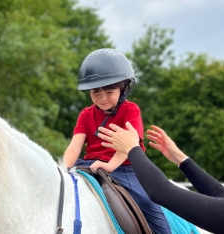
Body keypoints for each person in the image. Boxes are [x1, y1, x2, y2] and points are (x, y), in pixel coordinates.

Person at [62, 48, 171, 233]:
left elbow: (129, 145)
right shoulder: (85, 114)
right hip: (90, 164)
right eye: (96, 93)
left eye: (109, 92)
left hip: (125, 168)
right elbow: (75, 146)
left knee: (148, 203)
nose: (102, 98)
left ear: (123, 89)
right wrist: (64, 168)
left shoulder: (131, 111)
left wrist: (110, 166)